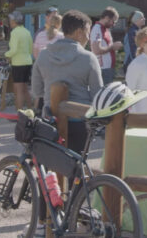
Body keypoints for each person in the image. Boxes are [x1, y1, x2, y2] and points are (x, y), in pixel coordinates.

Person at [31, 10, 103, 152]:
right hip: (79, 120)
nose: (88, 38)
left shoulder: (44, 55)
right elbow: (98, 94)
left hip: (51, 120)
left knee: (51, 167)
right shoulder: (88, 58)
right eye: (88, 32)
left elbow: (36, 90)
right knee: (76, 168)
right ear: (78, 32)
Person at [5, 11, 33, 110]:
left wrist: (6, 55)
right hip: (28, 62)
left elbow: (13, 50)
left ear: (13, 21)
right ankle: (32, 110)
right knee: (25, 89)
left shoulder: (15, 32)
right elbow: (30, 49)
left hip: (18, 63)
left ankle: (19, 114)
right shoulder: (27, 31)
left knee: (18, 90)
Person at [90, 7, 122, 85]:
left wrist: (113, 48)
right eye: (113, 22)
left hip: (108, 68)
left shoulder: (105, 29)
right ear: (107, 18)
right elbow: (96, 50)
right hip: (103, 69)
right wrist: (112, 47)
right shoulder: (97, 28)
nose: (114, 25)